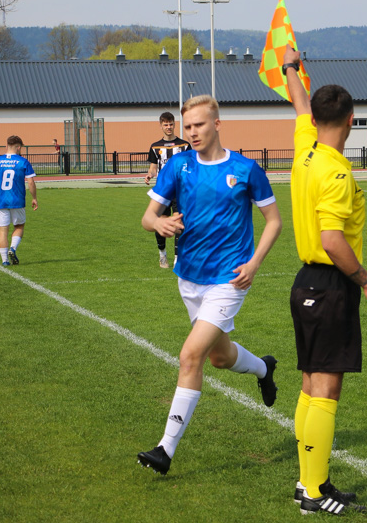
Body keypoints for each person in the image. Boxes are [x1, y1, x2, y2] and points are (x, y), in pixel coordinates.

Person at [136, 95, 283, 477]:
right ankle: (264, 370)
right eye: (187, 127)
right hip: (189, 277)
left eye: (198, 125)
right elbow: (147, 217)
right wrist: (160, 224)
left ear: (217, 124)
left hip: (229, 280)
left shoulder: (246, 169)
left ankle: (164, 449)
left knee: (190, 356)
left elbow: (274, 221)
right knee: (219, 357)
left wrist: (253, 263)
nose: (192, 133)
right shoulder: (178, 166)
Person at [283, 45, 367, 516]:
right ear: (350, 120)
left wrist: (291, 66)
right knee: (325, 388)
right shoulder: (336, 171)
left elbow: (299, 102)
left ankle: (312, 481)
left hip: (305, 283)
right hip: (329, 286)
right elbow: (331, 238)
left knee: (310, 384)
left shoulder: (306, 148)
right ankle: (312, 493)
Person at [145, 111, 192, 268]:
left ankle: (178, 258)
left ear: (174, 125)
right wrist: (149, 175)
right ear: (161, 126)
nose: (169, 127)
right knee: (161, 222)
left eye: (171, 124)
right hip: (163, 190)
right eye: (165, 124)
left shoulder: (184, 146)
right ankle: (162, 254)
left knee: (179, 222)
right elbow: (153, 168)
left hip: (180, 190)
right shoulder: (155, 146)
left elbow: (191, 166)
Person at [0, 135, 38, 267]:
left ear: (6, 145)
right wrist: (34, 198)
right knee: (19, 226)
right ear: (18, 147)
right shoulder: (23, 161)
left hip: (1, 200)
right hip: (17, 200)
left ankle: (4, 261)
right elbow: (30, 182)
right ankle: (12, 248)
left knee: (3, 231)